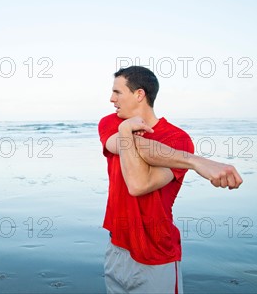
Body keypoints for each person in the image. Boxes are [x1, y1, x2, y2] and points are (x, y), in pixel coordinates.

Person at [98, 66, 243, 294]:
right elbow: (126, 145)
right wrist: (196, 161)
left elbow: (139, 185)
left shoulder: (178, 139)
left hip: (156, 255)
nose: (111, 99)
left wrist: (126, 132)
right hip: (116, 247)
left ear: (139, 94)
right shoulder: (110, 122)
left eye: (117, 92)